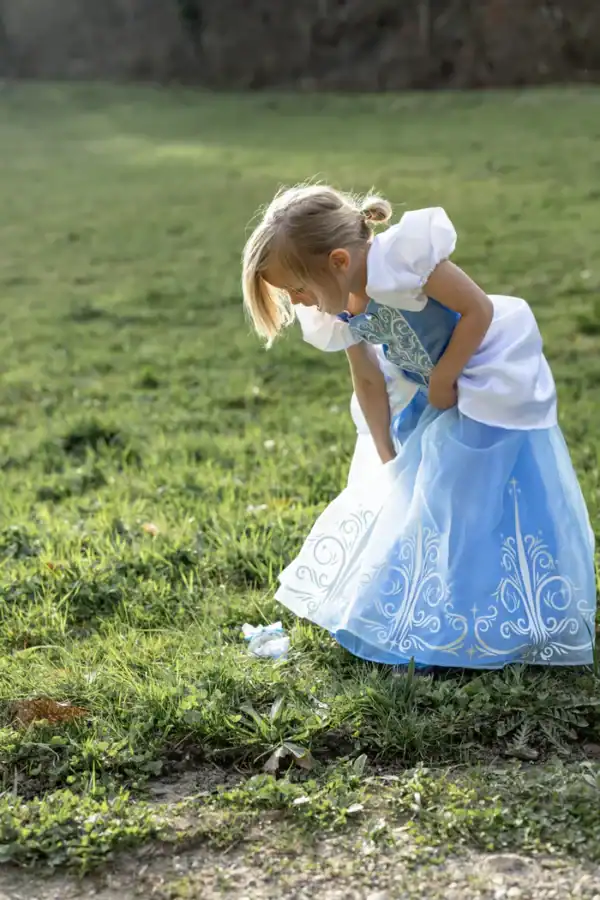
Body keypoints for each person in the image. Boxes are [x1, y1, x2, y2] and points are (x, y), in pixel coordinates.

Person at [241, 184, 596, 669]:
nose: (298, 301)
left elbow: (479, 309)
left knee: (465, 499)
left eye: (298, 288)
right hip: (429, 390)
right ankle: (443, 619)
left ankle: (494, 620)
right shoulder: (345, 307)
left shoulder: (404, 262)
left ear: (339, 261)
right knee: (431, 502)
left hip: (486, 376)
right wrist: (386, 449)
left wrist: (447, 377)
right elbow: (367, 379)